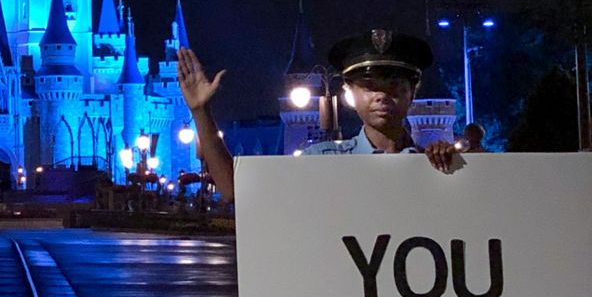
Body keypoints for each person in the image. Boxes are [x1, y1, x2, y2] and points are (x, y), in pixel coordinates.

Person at [176, 29, 461, 199]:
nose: (381, 95)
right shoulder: (321, 162)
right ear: (349, 92)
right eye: (369, 86)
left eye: (395, 85)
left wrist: (452, 167)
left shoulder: (434, 163)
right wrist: (201, 112)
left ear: (414, 91)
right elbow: (234, 189)